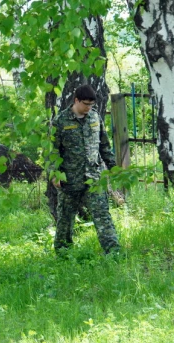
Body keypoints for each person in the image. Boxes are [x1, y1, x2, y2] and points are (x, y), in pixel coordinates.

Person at [49, 84, 120, 254]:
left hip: (93, 178)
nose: (88, 108)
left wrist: (113, 167)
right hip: (69, 179)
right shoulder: (60, 121)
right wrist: (55, 173)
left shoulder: (95, 118)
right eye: (85, 104)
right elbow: (53, 151)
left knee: (102, 215)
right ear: (76, 100)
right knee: (65, 218)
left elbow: (104, 146)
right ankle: (63, 252)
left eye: (91, 105)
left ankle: (113, 251)